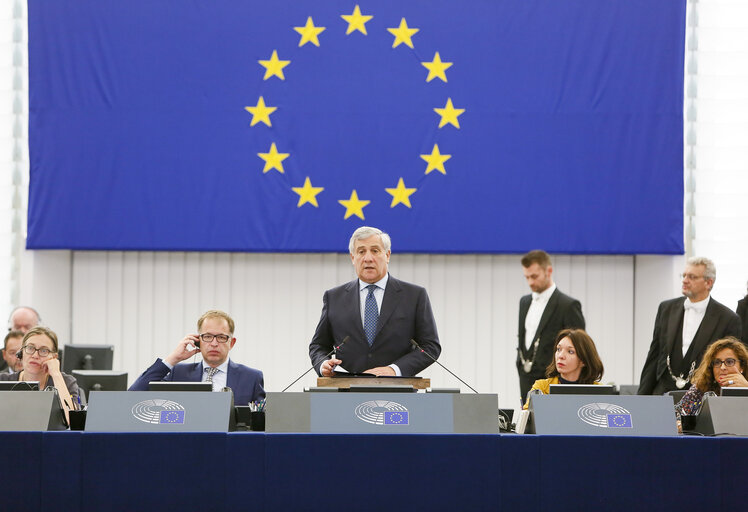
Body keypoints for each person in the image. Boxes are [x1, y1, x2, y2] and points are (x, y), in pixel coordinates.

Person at [309, 226, 441, 377]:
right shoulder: (334, 297)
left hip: (399, 393)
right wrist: (323, 364)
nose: (368, 258)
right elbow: (319, 345)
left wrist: (394, 369)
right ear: (353, 258)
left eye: (375, 251)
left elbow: (430, 347)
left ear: (387, 255)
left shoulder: (414, 296)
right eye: (361, 252)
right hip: (345, 393)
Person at [638, 257, 742, 395]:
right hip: (662, 393)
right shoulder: (666, 308)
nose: (685, 280)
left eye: (692, 277)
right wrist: (641, 397)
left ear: (708, 282)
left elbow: (729, 365)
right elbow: (654, 356)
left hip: (702, 397)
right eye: (684, 275)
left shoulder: (728, 319)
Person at [129, 310, 265, 405]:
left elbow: (261, 422)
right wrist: (172, 359)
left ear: (232, 343)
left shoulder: (251, 377)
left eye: (221, 337)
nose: (214, 343)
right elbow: (134, 395)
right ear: (197, 340)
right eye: (207, 336)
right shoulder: (178, 373)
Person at [517, 250, 585, 404]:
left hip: (553, 382)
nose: (530, 282)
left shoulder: (568, 305)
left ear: (549, 271)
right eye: (527, 277)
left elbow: (580, 348)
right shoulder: (524, 302)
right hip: (525, 378)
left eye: (534, 276)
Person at [0, 326, 79, 422]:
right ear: (21, 352)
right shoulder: (3, 380)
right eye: (30, 348)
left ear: (54, 357)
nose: (35, 355)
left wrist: (56, 375)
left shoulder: (66, 382)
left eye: (43, 350)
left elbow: (72, 421)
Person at [523, 328, 604, 409]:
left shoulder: (600, 392)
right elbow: (528, 419)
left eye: (570, 351)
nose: (560, 356)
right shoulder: (541, 387)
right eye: (558, 349)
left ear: (583, 360)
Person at [675, 337, 748, 418]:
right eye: (717, 362)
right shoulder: (700, 388)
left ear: (742, 367)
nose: (722, 367)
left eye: (730, 362)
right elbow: (676, 415)